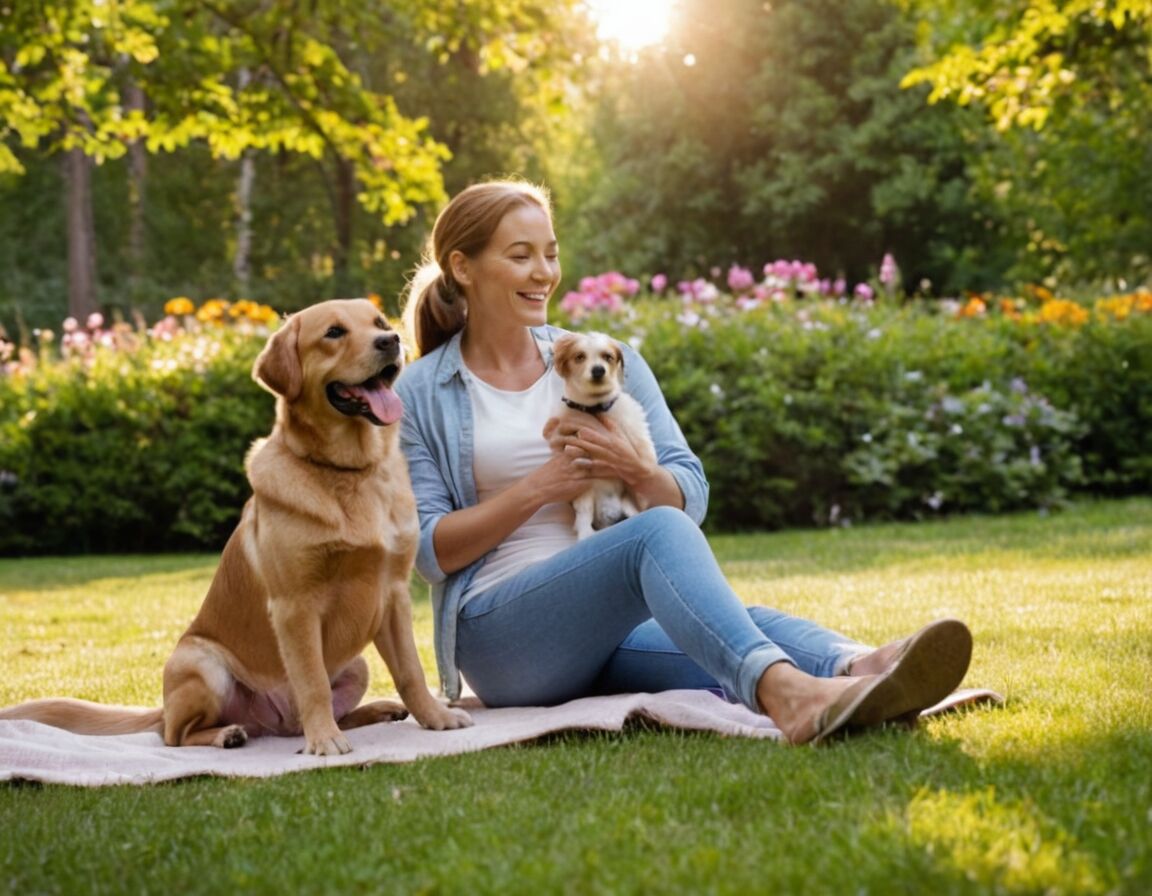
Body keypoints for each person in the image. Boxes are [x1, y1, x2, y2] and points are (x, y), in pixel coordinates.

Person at [394, 179, 973, 745]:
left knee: (730, 624)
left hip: (605, 630)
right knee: (655, 536)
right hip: (505, 642)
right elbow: (427, 552)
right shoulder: (420, 392)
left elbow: (688, 492)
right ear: (463, 267)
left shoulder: (606, 358)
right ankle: (790, 699)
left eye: (551, 254)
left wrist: (636, 471)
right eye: (521, 256)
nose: (544, 272)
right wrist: (540, 487)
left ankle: (861, 669)